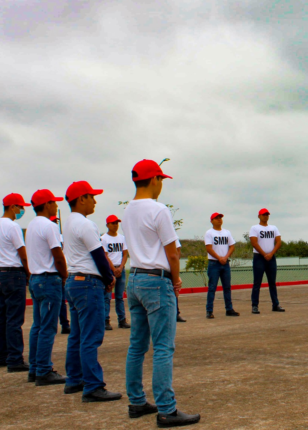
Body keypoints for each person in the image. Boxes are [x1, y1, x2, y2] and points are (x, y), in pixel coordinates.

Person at [123, 159, 200, 426]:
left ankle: (136, 401)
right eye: (161, 180)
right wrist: (176, 281)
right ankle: (167, 409)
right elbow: (172, 253)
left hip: (134, 279)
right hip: (157, 281)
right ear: (154, 180)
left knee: (137, 346)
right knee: (163, 347)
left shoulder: (128, 211)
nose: (161, 185)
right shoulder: (158, 210)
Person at [62, 180, 121, 402]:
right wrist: (108, 279)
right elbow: (98, 255)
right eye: (91, 197)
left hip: (74, 281)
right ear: (81, 199)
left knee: (77, 335)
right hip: (88, 283)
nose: (94, 201)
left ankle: (74, 379)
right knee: (91, 337)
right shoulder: (86, 224)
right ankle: (93, 386)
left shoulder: (68, 223)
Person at [26, 189, 69, 386]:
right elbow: (58, 255)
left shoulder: (32, 226)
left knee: (37, 325)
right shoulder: (50, 226)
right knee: (49, 327)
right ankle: (44, 370)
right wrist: (65, 275)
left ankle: (34, 368)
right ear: (47, 205)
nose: (56, 205)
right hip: (49, 278)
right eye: (54, 202)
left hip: (35, 278)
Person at [0, 193, 31, 373]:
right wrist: (28, 272)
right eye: (20, 207)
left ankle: (1, 355)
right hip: (14, 273)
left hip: (0, 272)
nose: (21, 210)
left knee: (3, 317)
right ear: (12, 207)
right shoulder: (13, 226)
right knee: (15, 319)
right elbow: (22, 252)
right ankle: (15, 358)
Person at [204, 213, 239, 318]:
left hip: (225, 263)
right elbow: (209, 248)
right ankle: (209, 310)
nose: (219, 220)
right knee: (212, 287)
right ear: (212, 221)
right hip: (214, 263)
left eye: (220, 218)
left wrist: (226, 257)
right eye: (216, 218)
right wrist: (219, 258)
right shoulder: (209, 233)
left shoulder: (227, 232)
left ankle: (229, 309)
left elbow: (232, 246)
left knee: (227, 287)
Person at [249, 208, 285, 314]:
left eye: (267, 214)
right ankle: (254, 305)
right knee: (257, 283)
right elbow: (254, 243)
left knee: (272, 282)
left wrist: (271, 253)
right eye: (263, 214)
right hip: (259, 257)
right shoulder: (254, 228)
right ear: (259, 216)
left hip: (271, 258)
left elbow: (278, 242)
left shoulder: (273, 228)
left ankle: (275, 304)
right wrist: (264, 254)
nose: (265, 216)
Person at [101, 215, 130, 330]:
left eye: (116, 223)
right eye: (113, 223)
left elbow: (125, 253)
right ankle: (106, 320)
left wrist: (121, 267)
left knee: (119, 297)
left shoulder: (122, 238)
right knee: (107, 297)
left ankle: (122, 320)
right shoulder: (104, 239)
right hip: (109, 270)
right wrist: (113, 269)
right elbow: (105, 255)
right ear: (107, 225)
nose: (115, 225)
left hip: (120, 269)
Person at [50, 215, 70, 334]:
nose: (55, 223)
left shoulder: (61, 237)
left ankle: (64, 323)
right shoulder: (50, 234)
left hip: (63, 268)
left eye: (56, 221)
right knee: (55, 301)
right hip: (54, 270)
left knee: (62, 301)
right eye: (53, 221)